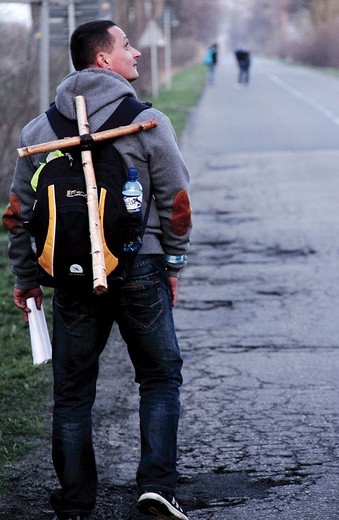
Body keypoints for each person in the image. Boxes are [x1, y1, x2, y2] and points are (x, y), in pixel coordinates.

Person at [2, 20, 191, 520]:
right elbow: (175, 201)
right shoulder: (147, 121)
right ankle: (157, 486)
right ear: (103, 59)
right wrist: (172, 260)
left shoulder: (38, 131)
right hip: (139, 269)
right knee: (159, 376)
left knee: (73, 389)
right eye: (127, 45)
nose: (137, 53)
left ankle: (75, 499)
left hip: (68, 277)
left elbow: (18, 215)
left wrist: (26, 279)